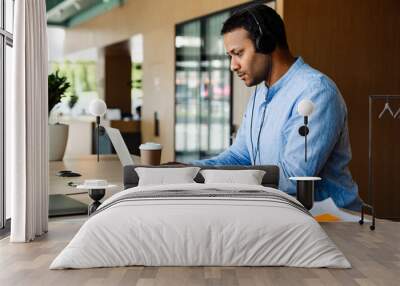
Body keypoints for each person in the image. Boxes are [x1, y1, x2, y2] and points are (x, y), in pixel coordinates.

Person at [192, 4, 362, 210]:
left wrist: (224, 179)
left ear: (266, 43)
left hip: (332, 221)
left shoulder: (315, 92)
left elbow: (294, 178)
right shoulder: (259, 94)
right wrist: (190, 170)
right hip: (285, 214)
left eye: (238, 53)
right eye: (230, 56)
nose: (233, 65)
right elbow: (240, 155)